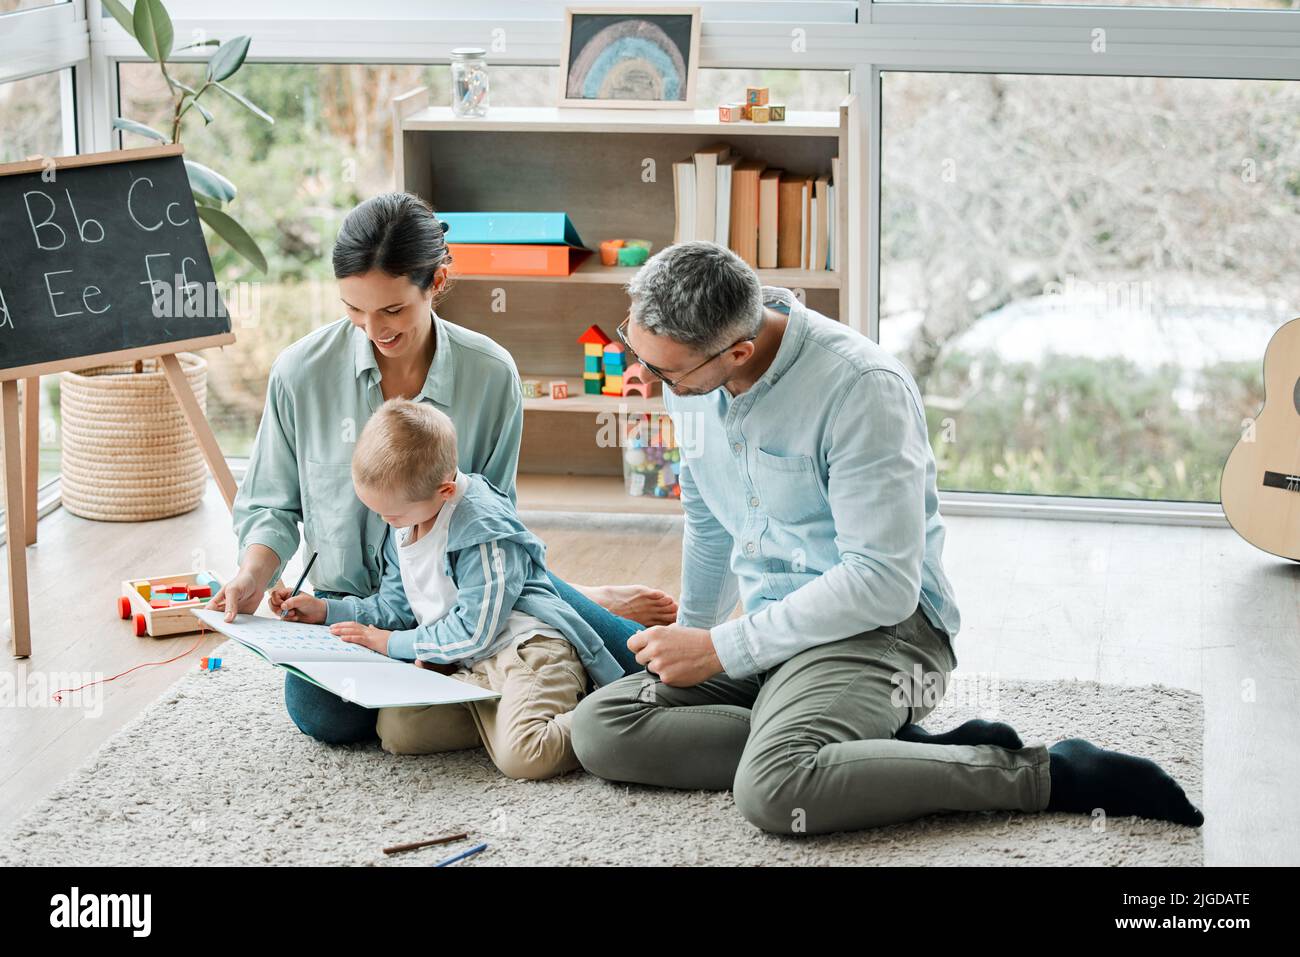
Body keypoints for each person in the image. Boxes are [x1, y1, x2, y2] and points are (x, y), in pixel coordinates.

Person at [571, 240, 1205, 835]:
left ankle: (1046, 774)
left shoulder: (860, 389)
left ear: (736, 351)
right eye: (637, 349)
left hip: (885, 632)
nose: (650, 380)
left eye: (667, 372)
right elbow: (710, 516)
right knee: (601, 730)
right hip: (775, 628)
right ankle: (867, 752)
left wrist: (725, 647)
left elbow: (882, 584)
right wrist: (693, 638)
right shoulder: (694, 375)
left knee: (774, 790)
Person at [210, 192, 674, 744]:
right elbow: (271, 506)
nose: (372, 328)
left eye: (392, 309)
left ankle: (572, 603)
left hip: (469, 593)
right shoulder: (300, 373)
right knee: (327, 718)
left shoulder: (490, 374)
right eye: (353, 308)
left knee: (641, 671)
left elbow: (496, 522)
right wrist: (251, 576)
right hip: (358, 606)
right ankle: (558, 616)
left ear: (438, 283)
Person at [277, 398, 621, 779]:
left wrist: (390, 643)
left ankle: (607, 708)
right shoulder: (406, 521)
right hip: (469, 664)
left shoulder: (482, 528)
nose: (384, 521)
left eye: (391, 514)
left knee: (526, 758)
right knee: (398, 732)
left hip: (526, 651)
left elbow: (476, 629)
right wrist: (327, 612)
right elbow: (396, 607)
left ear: (443, 491)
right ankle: (512, 717)